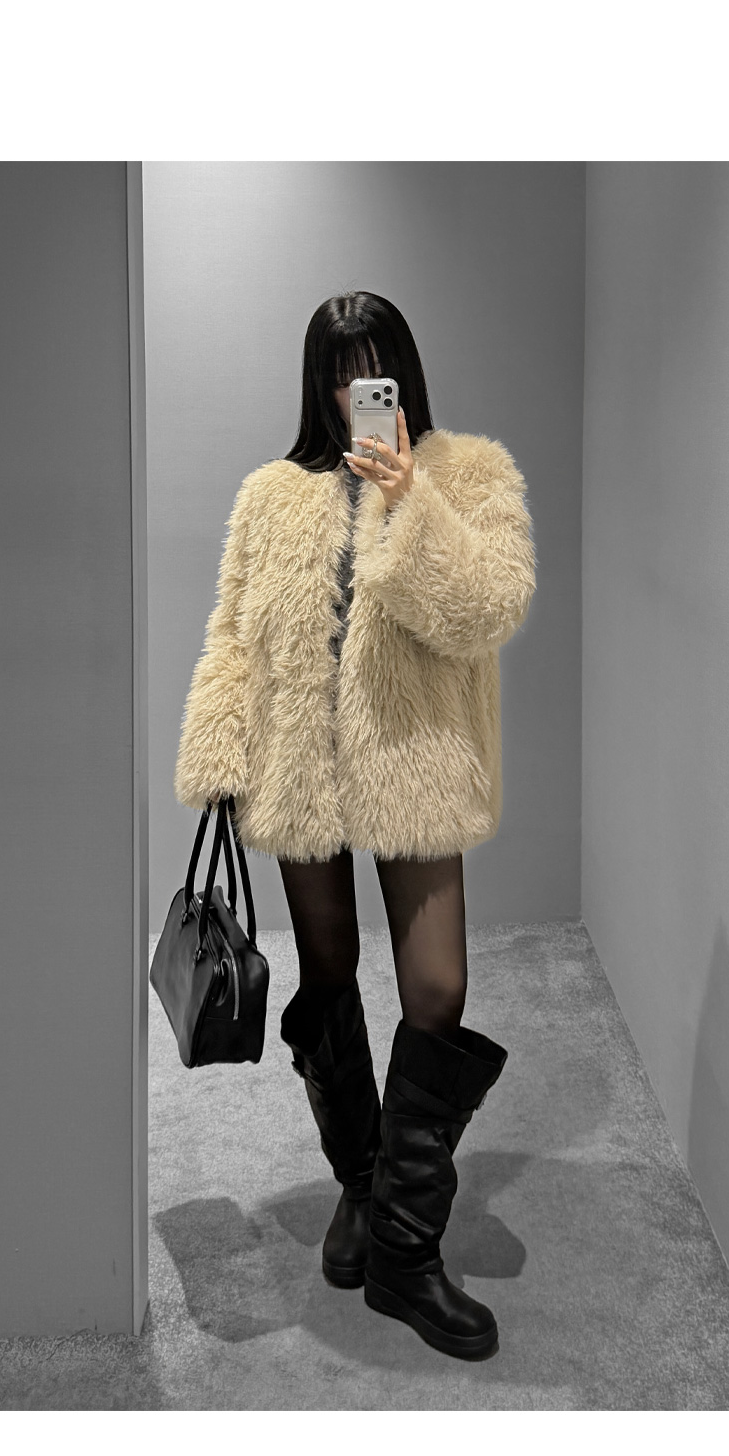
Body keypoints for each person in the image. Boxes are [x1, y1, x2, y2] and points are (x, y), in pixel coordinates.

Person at [173, 291, 537, 1360]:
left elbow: (489, 609)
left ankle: (404, 1257)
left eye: (371, 369)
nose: (354, 391)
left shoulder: (469, 475)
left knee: (437, 990)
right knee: (327, 976)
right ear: (318, 384)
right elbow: (233, 634)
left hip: (412, 766)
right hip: (302, 770)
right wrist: (220, 753)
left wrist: (410, 499)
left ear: (402, 374)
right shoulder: (270, 495)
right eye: (338, 373)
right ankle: (367, 1188)